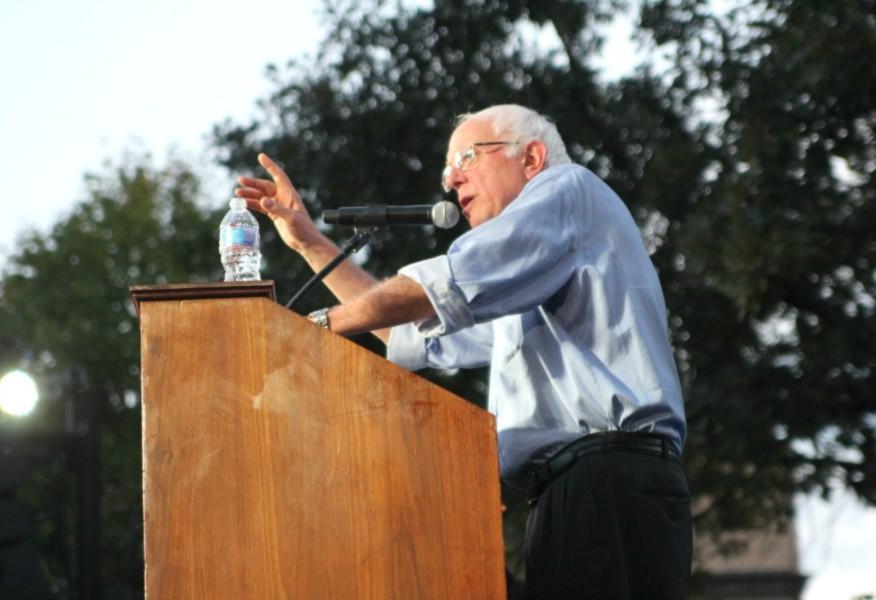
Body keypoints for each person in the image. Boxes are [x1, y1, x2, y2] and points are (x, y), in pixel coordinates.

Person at [236, 104, 692, 600]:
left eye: (467, 158)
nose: (451, 181)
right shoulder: (530, 277)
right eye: (447, 171)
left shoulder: (568, 190)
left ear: (532, 158)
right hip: (575, 489)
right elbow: (418, 329)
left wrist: (313, 328)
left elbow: (446, 282)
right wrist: (310, 245)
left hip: (607, 482)